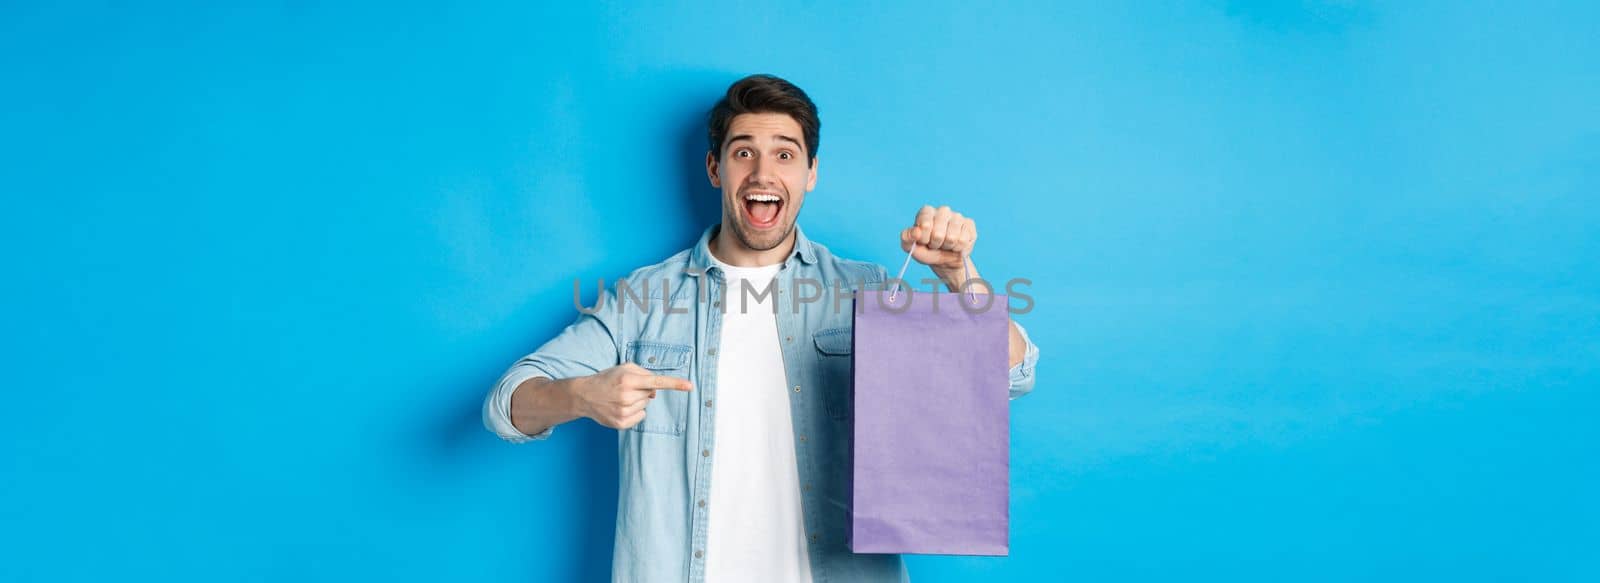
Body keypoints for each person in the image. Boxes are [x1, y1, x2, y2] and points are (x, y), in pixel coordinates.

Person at [483, 74, 1040, 582]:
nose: (763, 173)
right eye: (743, 152)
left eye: (785, 154)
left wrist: (959, 276)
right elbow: (507, 404)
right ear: (715, 169)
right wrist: (579, 395)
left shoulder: (864, 289)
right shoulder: (642, 298)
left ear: (811, 173)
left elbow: (1010, 374)